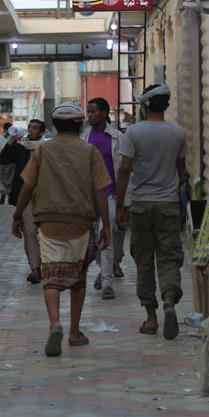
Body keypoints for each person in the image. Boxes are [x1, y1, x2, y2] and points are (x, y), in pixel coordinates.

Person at [12, 102, 112, 356]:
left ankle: (55, 323)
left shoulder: (43, 151)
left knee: (51, 275)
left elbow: (27, 187)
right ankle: (74, 333)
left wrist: (16, 216)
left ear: (55, 125)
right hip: (81, 222)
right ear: (80, 125)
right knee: (78, 278)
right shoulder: (90, 152)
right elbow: (100, 191)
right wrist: (106, 225)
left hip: (48, 222)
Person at [116, 84, 188, 341]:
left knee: (144, 261)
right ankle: (169, 300)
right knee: (169, 257)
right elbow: (181, 170)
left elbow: (125, 170)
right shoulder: (177, 132)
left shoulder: (134, 132)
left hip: (141, 205)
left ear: (144, 106)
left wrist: (120, 206)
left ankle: (151, 318)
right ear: (166, 106)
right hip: (168, 205)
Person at [80, 97, 127, 299]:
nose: (89, 115)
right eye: (88, 112)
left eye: (93, 112)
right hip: (87, 196)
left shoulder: (117, 138)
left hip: (109, 194)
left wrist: (124, 203)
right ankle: (104, 271)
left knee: (106, 236)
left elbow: (126, 171)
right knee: (93, 238)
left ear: (105, 113)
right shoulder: (83, 137)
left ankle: (108, 283)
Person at [0, 119, 47, 283]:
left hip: (45, 195)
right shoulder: (20, 147)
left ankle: (46, 266)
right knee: (30, 231)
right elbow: (3, 160)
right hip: (24, 196)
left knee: (45, 232)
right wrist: (11, 141)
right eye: (30, 127)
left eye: (35, 128)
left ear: (41, 132)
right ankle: (35, 269)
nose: (31, 130)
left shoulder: (46, 148)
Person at [0, 122, 14, 204]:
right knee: (10, 178)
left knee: (1, 177)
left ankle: (2, 189)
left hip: (1, 161)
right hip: (12, 161)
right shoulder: (13, 138)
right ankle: (9, 191)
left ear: (3, 128)